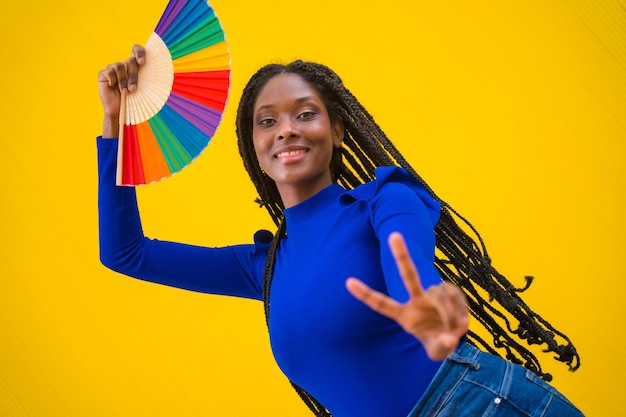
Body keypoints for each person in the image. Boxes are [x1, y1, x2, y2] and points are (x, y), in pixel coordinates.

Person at [97, 45, 584, 417]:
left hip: (471, 404)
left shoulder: (383, 201)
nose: (286, 129)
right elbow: (125, 253)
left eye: (305, 113)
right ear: (254, 146)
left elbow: (408, 266)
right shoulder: (264, 269)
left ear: (338, 131)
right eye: (267, 122)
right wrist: (117, 123)